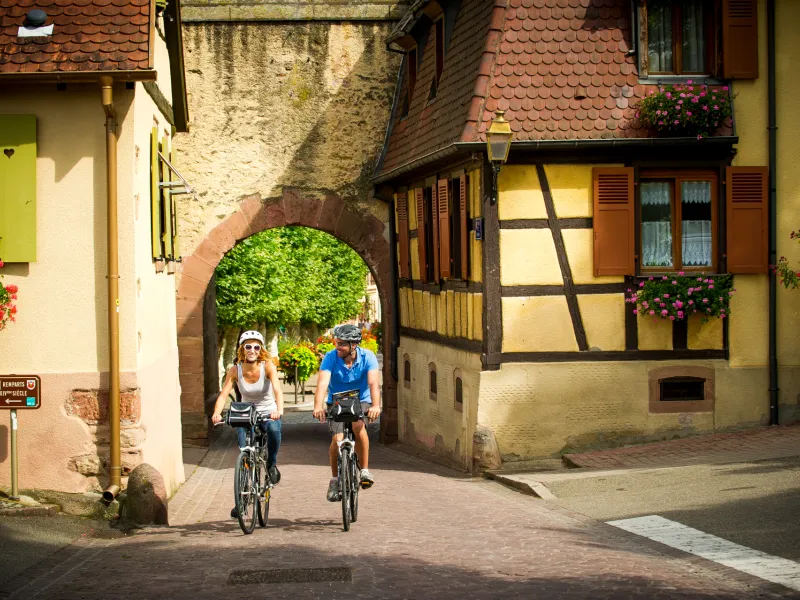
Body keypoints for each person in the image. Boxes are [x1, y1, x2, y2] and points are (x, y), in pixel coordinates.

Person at [211, 331, 284, 517]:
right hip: (246, 413)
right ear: (242, 349)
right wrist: (217, 413)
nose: (252, 350)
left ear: (261, 350)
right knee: (244, 452)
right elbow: (224, 394)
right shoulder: (235, 370)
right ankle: (241, 500)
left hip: (268, 412)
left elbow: (277, 390)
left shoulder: (267, 366)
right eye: (248, 346)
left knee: (274, 430)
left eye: (256, 347)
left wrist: (279, 410)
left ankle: (271, 464)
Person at [313, 324, 381, 502]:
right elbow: (322, 383)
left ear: (354, 345)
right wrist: (318, 406)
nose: (338, 347)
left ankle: (364, 470)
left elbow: (373, 384)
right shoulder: (330, 357)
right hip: (336, 401)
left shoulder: (368, 357)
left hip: (361, 400)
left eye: (342, 344)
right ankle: (335, 480)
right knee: (337, 439)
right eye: (337, 342)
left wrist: (376, 406)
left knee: (358, 426)